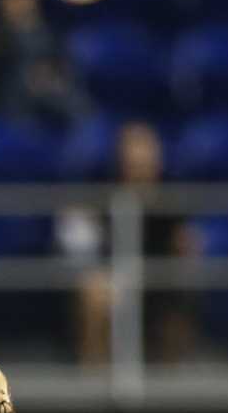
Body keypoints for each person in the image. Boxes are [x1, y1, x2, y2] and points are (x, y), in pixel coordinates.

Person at [62, 120, 197, 370]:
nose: (143, 159)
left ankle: (172, 374)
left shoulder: (170, 201)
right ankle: (93, 371)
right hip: (115, 278)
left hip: (158, 280)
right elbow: (82, 241)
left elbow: (183, 246)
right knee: (94, 292)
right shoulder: (103, 197)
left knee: (182, 287)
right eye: (136, 152)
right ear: (122, 157)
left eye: (148, 152)